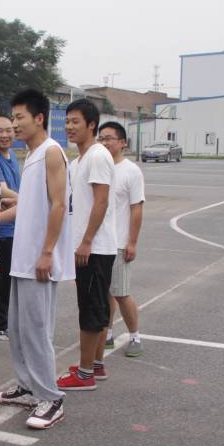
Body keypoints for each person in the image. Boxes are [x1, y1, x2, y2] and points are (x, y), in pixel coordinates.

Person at [0, 89, 73, 429]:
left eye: (19, 117)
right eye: (12, 118)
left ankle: (51, 398)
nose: (14, 124)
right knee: (18, 328)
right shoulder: (32, 155)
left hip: (39, 260)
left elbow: (59, 205)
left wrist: (47, 252)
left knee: (37, 331)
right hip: (22, 259)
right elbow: (26, 207)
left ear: (39, 118)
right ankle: (28, 386)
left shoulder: (51, 153)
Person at [55, 98, 118, 391]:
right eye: (67, 121)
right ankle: (95, 364)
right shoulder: (78, 161)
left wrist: (86, 241)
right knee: (96, 306)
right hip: (87, 246)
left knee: (91, 309)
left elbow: (101, 201)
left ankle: (84, 374)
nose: (69, 127)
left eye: (75, 122)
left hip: (95, 247)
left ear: (91, 125)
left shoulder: (97, 156)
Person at [99, 122, 146, 357]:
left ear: (122, 143)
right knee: (105, 293)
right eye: (101, 138)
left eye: (109, 138)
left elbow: (137, 208)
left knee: (121, 292)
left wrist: (132, 242)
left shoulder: (131, 171)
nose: (104, 142)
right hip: (100, 242)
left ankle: (135, 336)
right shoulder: (99, 167)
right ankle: (107, 333)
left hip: (119, 243)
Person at [0, 114, 21, 342]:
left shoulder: (13, 156)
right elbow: (1, 189)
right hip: (1, 230)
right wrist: (28, 199)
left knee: (8, 278)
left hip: (14, 227)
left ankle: (2, 321)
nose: (5, 135)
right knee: (1, 280)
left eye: (9, 130)